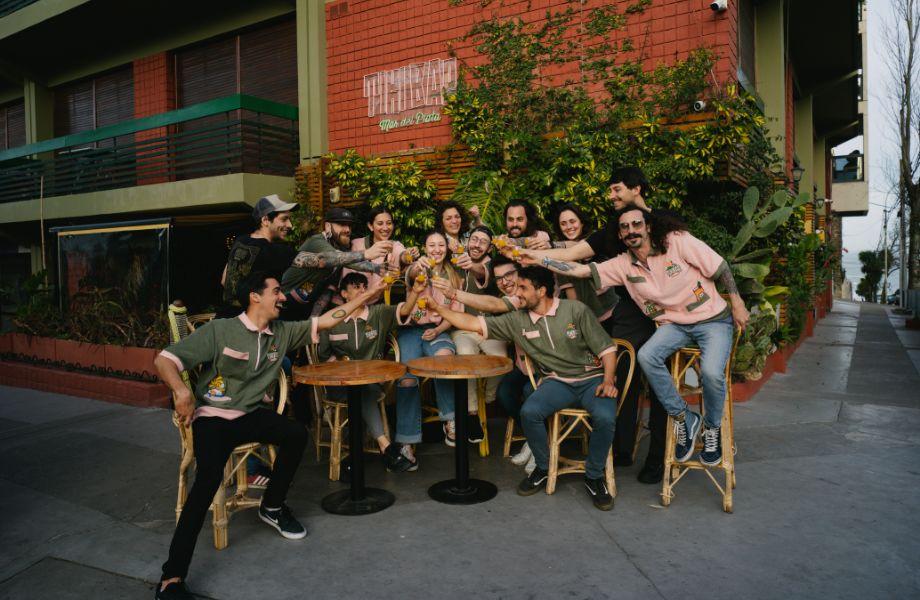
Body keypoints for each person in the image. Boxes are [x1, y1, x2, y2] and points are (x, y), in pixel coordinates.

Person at [153, 271, 386, 600]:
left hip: (250, 415)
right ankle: (171, 578)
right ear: (255, 296)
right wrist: (180, 390)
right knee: (206, 482)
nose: (283, 297)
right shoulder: (221, 330)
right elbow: (164, 360)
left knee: (295, 434)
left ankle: (272, 506)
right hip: (213, 418)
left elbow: (329, 320)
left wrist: (367, 295)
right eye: (276, 291)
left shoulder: (283, 332)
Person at [532, 208, 749, 470]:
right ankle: (684, 418)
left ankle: (712, 428)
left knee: (712, 373)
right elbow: (580, 271)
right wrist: (534, 257)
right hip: (675, 324)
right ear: (620, 235)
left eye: (637, 224)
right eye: (625, 227)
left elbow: (720, 266)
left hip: (712, 319)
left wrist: (737, 302)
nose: (631, 230)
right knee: (646, 356)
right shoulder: (623, 264)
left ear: (648, 227)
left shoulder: (676, 241)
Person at [514, 166, 677, 484]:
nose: (611, 195)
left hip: (669, 312)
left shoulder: (665, 222)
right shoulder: (613, 229)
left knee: (661, 384)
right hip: (630, 312)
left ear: (636, 189)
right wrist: (530, 254)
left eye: (616, 189)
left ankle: (657, 458)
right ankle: (621, 449)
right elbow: (574, 254)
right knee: (623, 378)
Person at [428, 266, 619, 511]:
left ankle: (594, 476)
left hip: (592, 379)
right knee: (529, 412)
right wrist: (438, 308)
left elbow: (607, 349)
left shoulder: (575, 310)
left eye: (523, 288)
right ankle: (542, 467)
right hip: (557, 382)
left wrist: (608, 380)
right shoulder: (517, 319)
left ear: (541, 291)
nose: (516, 292)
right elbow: (473, 322)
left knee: (605, 417)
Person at [317, 272, 425, 473]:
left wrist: (415, 293)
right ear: (344, 294)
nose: (362, 291)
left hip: (372, 384)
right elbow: (323, 357)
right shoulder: (333, 318)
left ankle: (380, 447)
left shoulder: (378, 314)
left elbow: (404, 311)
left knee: (363, 390)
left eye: (364, 287)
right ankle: (387, 448)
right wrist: (340, 366)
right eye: (356, 287)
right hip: (339, 386)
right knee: (359, 391)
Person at [394, 231, 463, 466]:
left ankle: (450, 420)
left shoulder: (454, 276)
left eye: (441, 245)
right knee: (406, 378)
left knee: (444, 360)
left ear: (447, 248)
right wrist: (417, 266)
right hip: (411, 331)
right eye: (431, 245)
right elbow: (412, 274)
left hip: (437, 330)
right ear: (424, 248)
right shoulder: (415, 269)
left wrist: (439, 329)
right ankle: (407, 440)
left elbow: (455, 313)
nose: (436, 249)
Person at [437, 225, 504, 443]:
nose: (477, 245)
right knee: (467, 357)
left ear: (489, 247)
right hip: (462, 329)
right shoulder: (454, 264)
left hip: (490, 328)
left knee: (501, 360)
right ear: (467, 241)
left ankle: (488, 398)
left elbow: (484, 273)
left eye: (483, 242)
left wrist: (472, 266)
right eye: (474, 239)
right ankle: (472, 413)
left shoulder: (493, 266)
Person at [281, 207, 394, 318]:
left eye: (349, 225)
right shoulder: (317, 241)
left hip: (306, 303)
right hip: (285, 299)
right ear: (327, 226)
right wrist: (366, 254)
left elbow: (330, 286)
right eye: (342, 224)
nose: (347, 229)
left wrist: (377, 268)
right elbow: (331, 258)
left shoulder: (340, 249)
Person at [219, 194, 298, 319]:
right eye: (284, 219)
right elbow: (320, 261)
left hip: (224, 319)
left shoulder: (241, 241)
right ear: (265, 220)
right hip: (249, 324)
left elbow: (224, 280)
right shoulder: (275, 250)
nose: (290, 225)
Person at [552, 203, 619, 327]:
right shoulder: (559, 255)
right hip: (586, 319)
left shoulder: (596, 241)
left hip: (613, 310)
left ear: (582, 222)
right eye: (563, 224)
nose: (569, 227)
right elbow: (572, 298)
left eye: (572, 221)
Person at [345, 207, 419, 296]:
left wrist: (409, 254)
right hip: (356, 300)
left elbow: (402, 255)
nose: (385, 228)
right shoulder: (356, 245)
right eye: (380, 223)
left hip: (381, 302)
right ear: (370, 226)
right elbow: (346, 279)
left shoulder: (395, 246)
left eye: (389, 223)